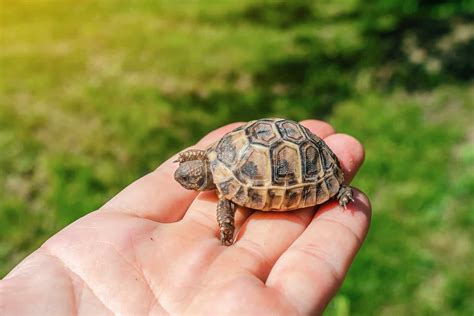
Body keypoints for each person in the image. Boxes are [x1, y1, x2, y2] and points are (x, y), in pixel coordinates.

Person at [0, 120, 371, 315]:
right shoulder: (216, 163)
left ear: (204, 177)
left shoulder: (224, 188)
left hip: (304, 165)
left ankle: (332, 187)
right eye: (192, 179)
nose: (188, 183)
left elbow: (226, 203)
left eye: (192, 181)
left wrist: (227, 230)